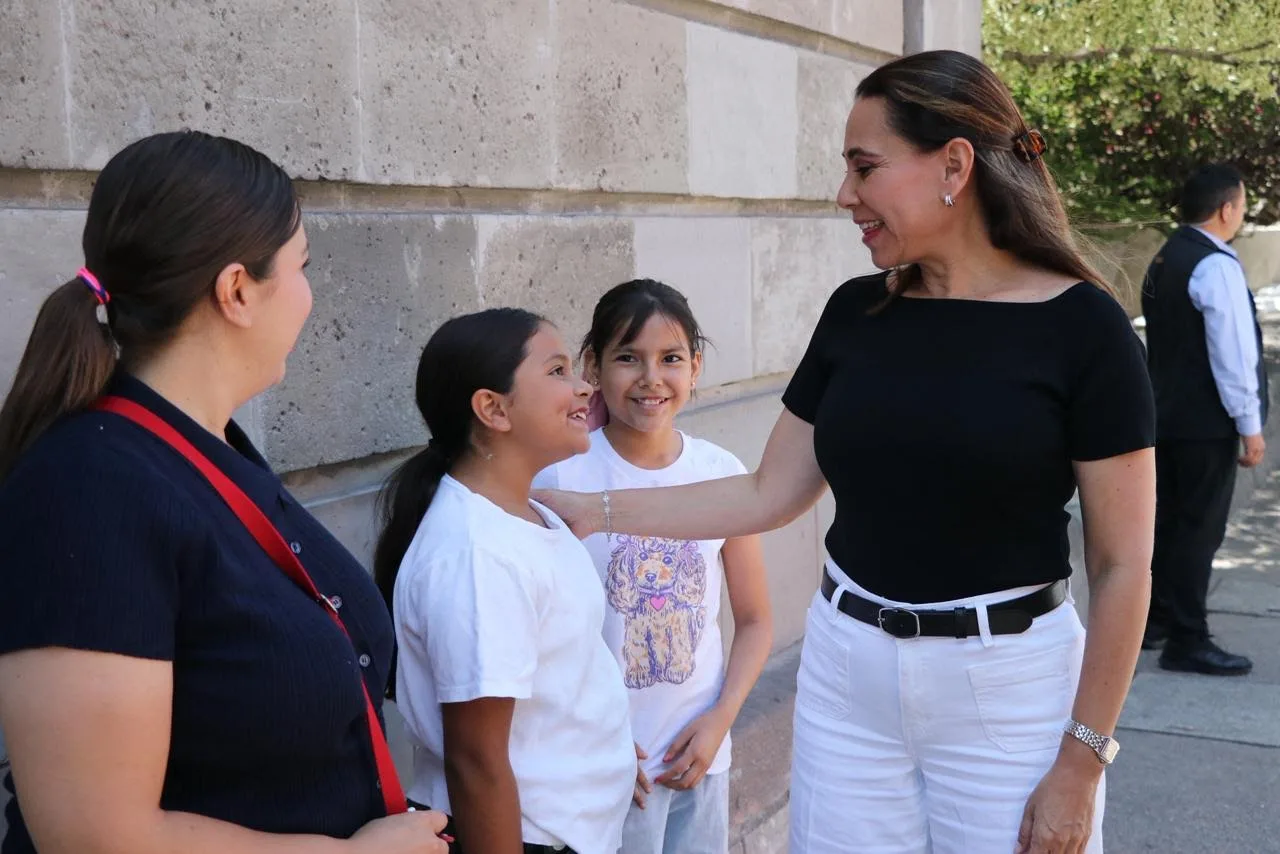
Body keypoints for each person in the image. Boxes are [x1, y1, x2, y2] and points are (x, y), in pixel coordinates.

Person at [536, 49, 1156, 854]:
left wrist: (1083, 761)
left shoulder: (1086, 330)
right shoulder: (856, 312)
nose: (845, 195)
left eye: (864, 168)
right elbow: (767, 493)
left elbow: (1123, 566)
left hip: (1010, 693)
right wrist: (592, 509)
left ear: (954, 166)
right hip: (846, 674)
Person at [0, 131, 448, 854]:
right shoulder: (86, 489)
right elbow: (92, 835)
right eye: (303, 267)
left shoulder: (206, 456)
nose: (310, 295)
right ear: (238, 290)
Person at [373, 309, 636, 854]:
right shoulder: (477, 555)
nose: (584, 388)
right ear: (493, 408)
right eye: (558, 370)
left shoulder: (529, 518)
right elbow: (477, 761)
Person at [533, 280, 773, 854]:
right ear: (593, 365)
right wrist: (590, 739)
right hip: (601, 772)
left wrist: (721, 720)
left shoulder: (722, 473)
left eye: (669, 359)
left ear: (696, 365)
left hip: (697, 763)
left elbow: (757, 619)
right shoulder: (559, 481)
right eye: (627, 358)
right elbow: (539, 642)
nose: (650, 378)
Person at [1140, 163, 1266, 676]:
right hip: (1204, 423)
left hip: (1163, 417)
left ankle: (1158, 621)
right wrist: (1249, 424)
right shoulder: (1215, 265)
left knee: (1168, 525)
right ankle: (1188, 639)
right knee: (1197, 531)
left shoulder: (1167, 255)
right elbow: (1232, 353)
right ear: (1226, 209)